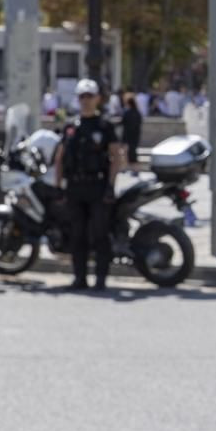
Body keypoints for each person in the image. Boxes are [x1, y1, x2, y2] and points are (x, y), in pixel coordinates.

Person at [53, 79, 124, 290]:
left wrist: (111, 185)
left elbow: (115, 157)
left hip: (97, 186)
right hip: (75, 186)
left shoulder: (105, 126)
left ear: (98, 99)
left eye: (89, 96)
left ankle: (101, 278)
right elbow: (60, 158)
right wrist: (59, 186)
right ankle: (79, 278)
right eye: (82, 97)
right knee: (77, 234)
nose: (86, 101)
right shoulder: (71, 127)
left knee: (100, 233)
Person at [122, 93, 143, 175]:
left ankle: (132, 169)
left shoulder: (127, 113)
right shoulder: (138, 113)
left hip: (128, 135)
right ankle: (133, 169)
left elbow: (123, 122)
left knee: (128, 153)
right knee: (132, 152)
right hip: (135, 135)